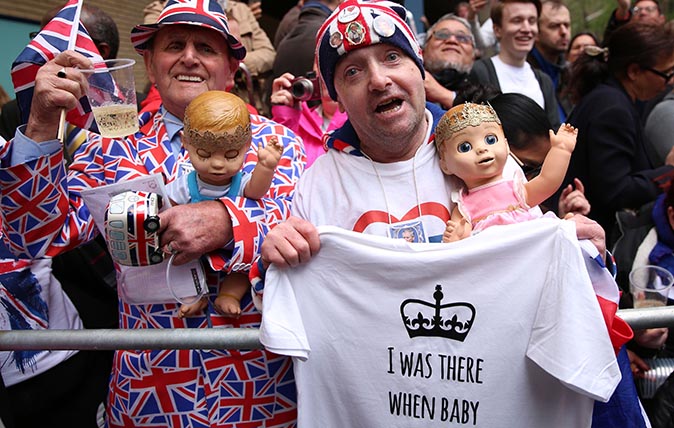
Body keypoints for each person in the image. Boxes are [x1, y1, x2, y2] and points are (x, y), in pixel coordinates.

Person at [258, 1, 640, 426]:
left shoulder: (478, 147)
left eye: (392, 57)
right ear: (337, 96)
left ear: (419, 68)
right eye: (352, 72)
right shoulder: (318, 184)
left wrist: (577, 246)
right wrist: (281, 253)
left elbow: (536, 249)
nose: (379, 79)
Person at [0, 0, 304, 426]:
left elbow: (300, 229)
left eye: (207, 47)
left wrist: (225, 223)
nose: (189, 56)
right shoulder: (114, 145)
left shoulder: (280, 143)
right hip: (151, 392)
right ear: (150, 63)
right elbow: (33, 237)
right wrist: (41, 126)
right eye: (174, 44)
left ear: (232, 67)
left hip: (258, 389)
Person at [165, 90, 284, 318]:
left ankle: (229, 294)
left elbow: (256, 191)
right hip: (194, 251)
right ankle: (195, 297)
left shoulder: (241, 183)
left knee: (248, 264)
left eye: (230, 155)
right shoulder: (184, 185)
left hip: (235, 253)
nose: (218, 164)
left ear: (247, 146)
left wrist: (266, 167)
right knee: (185, 267)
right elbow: (169, 207)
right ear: (186, 144)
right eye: (204, 154)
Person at [563, 21, 674, 243]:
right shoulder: (612, 109)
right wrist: (668, 172)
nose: (669, 81)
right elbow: (616, 191)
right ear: (634, 71)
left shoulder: (611, 97)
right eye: (666, 73)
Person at [434, 102, 576, 242]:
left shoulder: (515, 189)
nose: (481, 149)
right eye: (464, 147)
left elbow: (547, 181)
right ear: (445, 165)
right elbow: (461, 235)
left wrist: (561, 149)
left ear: (507, 146)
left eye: (490, 139)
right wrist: (457, 236)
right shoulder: (463, 205)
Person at [469, 0, 561, 129]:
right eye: (517, 20)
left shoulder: (544, 81)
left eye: (532, 21)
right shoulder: (480, 72)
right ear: (497, 29)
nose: (526, 29)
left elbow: (554, 130)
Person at [270, 72, 347, 168]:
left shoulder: (361, 120)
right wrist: (284, 115)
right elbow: (276, 169)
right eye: (318, 62)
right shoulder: (298, 118)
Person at [527, 0, 571, 121]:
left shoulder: (570, 73)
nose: (564, 32)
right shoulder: (524, 74)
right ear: (536, 32)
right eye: (554, 26)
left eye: (566, 25)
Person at [422, 13, 478, 109]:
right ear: (423, 51)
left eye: (462, 37)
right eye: (442, 35)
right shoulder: (408, 84)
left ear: (473, 56)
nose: (452, 40)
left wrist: (445, 95)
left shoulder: (489, 92)